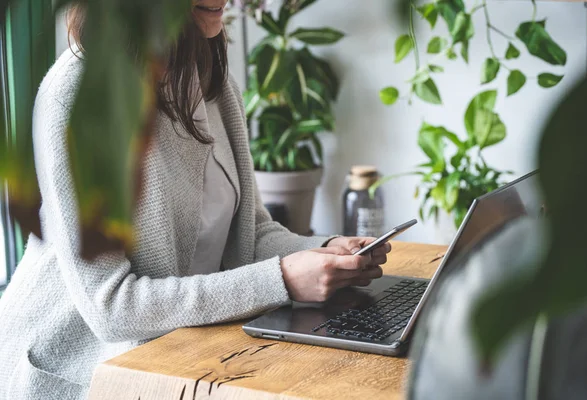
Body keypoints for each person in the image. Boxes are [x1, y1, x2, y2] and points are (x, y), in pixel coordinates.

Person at [0, 2, 390, 399]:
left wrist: (324, 252)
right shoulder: (78, 96)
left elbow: (250, 234)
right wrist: (284, 278)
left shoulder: (211, 79)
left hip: (178, 353)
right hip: (82, 367)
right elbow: (112, 307)